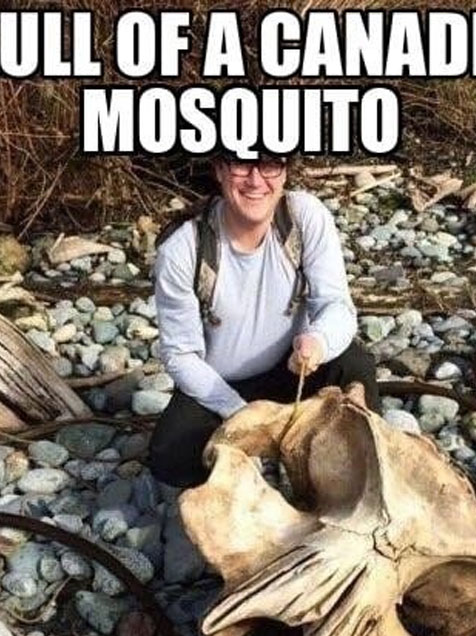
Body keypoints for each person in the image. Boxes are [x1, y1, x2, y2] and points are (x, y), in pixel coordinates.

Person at [148, 153, 379, 488]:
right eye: (241, 165)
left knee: (354, 366)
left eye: (271, 165)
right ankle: (256, 475)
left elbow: (337, 306)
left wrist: (317, 341)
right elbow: (180, 355)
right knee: (171, 455)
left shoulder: (304, 217)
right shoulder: (182, 249)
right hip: (221, 389)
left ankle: (356, 475)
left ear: (285, 173)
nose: (256, 181)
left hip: (295, 369)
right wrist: (240, 413)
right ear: (219, 170)